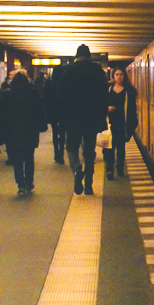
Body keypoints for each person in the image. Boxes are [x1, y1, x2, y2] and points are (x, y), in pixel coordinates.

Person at [57, 44, 108, 195]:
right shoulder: (97, 72)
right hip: (92, 119)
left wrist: (63, 116)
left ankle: (77, 169)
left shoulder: (68, 72)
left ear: (76, 56)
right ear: (89, 56)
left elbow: (60, 96)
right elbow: (103, 96)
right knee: (89, 151)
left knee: (72, 148)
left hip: (72, 118)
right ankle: (89, 186)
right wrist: (102, 117)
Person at [2, 70, 48, 195]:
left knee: (17, 158)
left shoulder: (8, 94)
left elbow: (4, 114)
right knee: (29, 157)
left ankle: (20, 184)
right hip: (30, 130)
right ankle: (29, 182)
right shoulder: (33, 93)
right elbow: (39, 111)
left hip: (13, 130)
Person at [104, 67, 138, 180]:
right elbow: (101, 104)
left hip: (123, 123)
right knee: (109, 147)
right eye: (117, 74)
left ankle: (120, 169)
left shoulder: (129, 91)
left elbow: (132, 109)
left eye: (121, 74)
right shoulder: (108, 89)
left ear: (124, 76)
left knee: (121, 148)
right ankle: (109, 169)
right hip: (110, 123)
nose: (119, 77)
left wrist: (132, 125)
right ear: (113, 77)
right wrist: (107, 108)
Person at [43, 64, 66, 164]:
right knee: (62, 132)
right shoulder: (64, 82)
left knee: (55, 131)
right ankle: (61, 154)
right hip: (63, 110)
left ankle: (56, 152)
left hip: (52, 110)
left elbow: (45, 97)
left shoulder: (49, 82)